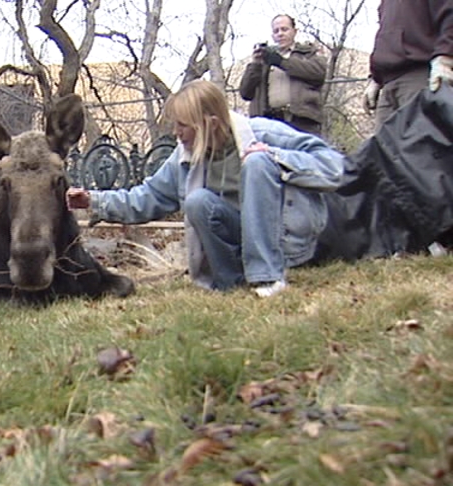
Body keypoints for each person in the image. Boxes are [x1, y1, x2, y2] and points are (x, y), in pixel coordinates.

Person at [66, 80, 345, 297]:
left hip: (285, 242)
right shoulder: (186, 155)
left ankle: (268, 277)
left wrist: (275, 156)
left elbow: (334, 167)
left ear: (210, 124)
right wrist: (94, 201)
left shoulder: (262, 133)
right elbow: (148, 197)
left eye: (183, 125)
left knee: (258, 162)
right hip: (240, 238)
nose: (176, 132)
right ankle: (230, 283)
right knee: (198, 200)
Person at [363, 0, 453, 130]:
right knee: (383, 148)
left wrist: (445, 57)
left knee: (422, 147)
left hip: (421, 78)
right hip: (388, 84)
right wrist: (375, 78)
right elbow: (386, 31)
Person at [239, 14, 327, 136]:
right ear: (272, 36)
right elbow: (245, 93)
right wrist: (255, 64)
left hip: (301, 123)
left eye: (284, 29)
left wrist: (281, 62)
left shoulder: (307, 54)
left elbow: (318, 73)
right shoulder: (265, 59)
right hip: (269, 124)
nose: (280, 34)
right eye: (276, 31)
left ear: (294, 31)